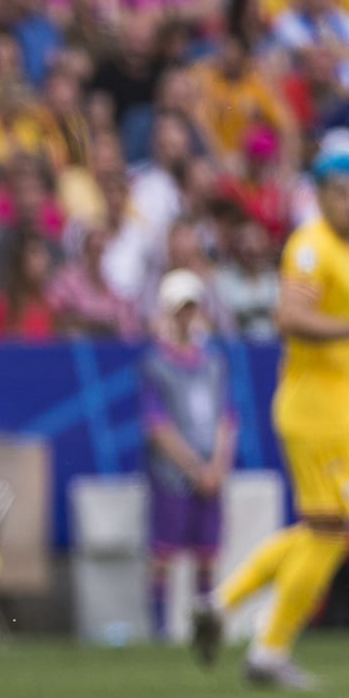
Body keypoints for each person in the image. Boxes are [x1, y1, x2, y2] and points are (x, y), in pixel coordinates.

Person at [193, 146, 349, 688]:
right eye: (342, 193)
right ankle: (265, 648)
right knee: (333, 531)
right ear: (320, 196)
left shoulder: (347, 251)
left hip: (336, 408)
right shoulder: (311, 247)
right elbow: (290, 316)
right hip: (316, 409)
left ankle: (224, 607)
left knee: (323, 529)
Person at [142, 271, 235, 641]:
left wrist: (217, 467)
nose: (186, 316)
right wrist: (197, 468)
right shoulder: (157, 365)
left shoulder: (212, 363)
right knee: (163, 554)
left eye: (191, 308)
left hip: (207, 472)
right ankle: (161, 629)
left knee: (207, 554)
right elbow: (157, 426)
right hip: (172, 474)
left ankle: (204, 627)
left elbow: (227, 420)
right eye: (180, 309)